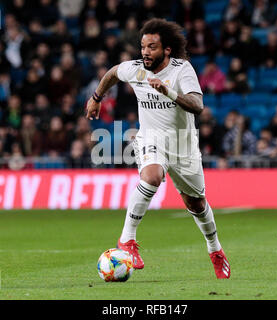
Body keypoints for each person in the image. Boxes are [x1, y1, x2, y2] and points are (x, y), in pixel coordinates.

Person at [85, 18, 230, 279]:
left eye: (152, 47)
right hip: (151, 138)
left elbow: (198, 106)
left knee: (196, 204)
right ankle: (127, 241)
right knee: (152, 176)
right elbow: (113, 72)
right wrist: (97, 98)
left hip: (183, 145)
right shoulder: (136, 69)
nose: (145, 53)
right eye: (143, 47)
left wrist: (168, 91)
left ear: (167, 50)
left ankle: (215, 250)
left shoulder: (181, 70)